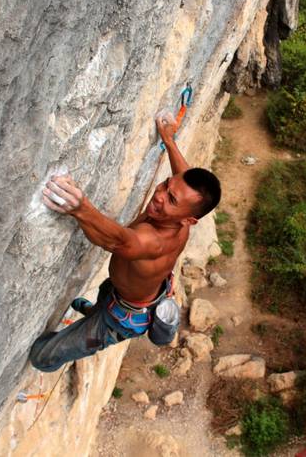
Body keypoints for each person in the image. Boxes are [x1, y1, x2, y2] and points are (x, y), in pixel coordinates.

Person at [29, 112, 221, 372]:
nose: (159, 196)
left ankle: (96, 325)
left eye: (171, 199)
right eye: (165, 185)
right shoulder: (182, 213)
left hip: (120, 320)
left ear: (189, 221)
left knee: (43, 357)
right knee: (105, 293)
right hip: (124, 293)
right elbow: (183, 177)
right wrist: (168, 140)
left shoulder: (154, 242)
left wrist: (80, 207)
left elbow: (117, 241)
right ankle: (94, 311)